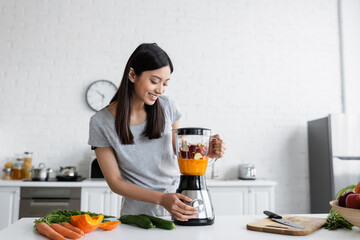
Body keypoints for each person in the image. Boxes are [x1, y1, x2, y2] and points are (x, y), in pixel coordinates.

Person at [88, 43, 226, 221]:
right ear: (132, 75)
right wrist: (161, 199)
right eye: (154, 81)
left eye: (165, 83)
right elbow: (115, 182)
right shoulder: (101, 123)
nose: (160, 90)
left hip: (180, 209)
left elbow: (181, 152)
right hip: (138, 217)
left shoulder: (167, 106)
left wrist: (206, 151)